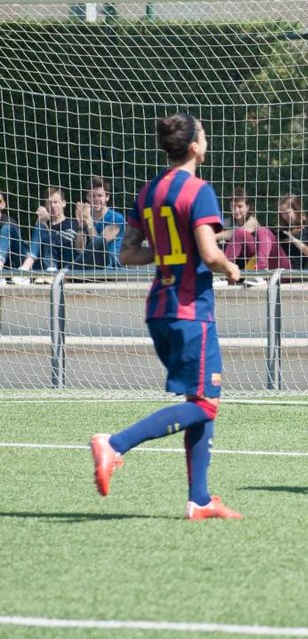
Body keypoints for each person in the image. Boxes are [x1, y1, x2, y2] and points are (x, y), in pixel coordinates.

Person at [89, 113, 242, 521]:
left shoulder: (148, 191)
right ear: (194, 146)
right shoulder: (199, 191)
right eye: (204, 135)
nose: (207, 140)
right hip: (192, 311)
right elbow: (210, 254)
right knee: (207, 406)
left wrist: (167, 250)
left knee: (199, 399)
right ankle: (115, 444)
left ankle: (201, 500)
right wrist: (234, 270)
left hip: (159, 308)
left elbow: (127, 254)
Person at [220, 188, 289, 271]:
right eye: (232, 206)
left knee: (239, 233)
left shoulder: (252, 221)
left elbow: (235, 233)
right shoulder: (226, 222)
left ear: (247, 207)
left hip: (252, 257)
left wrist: (214, 236)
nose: (236, 210)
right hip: (238, 261)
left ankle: (222, 268)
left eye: (240, 206)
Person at [18, 186, 77, 273]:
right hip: (39, 262)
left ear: (63, 203)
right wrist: (41, 221)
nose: (52, 206)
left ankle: (28, 269)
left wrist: (45, 224)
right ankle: (26, 267)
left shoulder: (71, 224)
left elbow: (64, 244)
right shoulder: (43, 226)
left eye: (55, 202)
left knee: (47, 236)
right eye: (49, 203)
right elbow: (34, 246)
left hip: (62, 263)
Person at [72, 176, 126, 269]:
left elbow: (99, 246)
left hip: (111, 264)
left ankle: (67, 271)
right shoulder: (88, 217)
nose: (96, 199)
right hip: (91, 264)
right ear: (87, 197)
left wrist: (89, 221)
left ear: (107, 197)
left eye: (100, 196)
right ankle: (68, 271)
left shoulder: (117, 219)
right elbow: (80, 249)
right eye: (92, 196)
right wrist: (81, 225)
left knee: (98, 241)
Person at [0, 190, 24, 277]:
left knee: (7, 228)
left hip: (19, 259)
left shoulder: (9, 222)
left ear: (3, 205)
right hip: (6, 266)